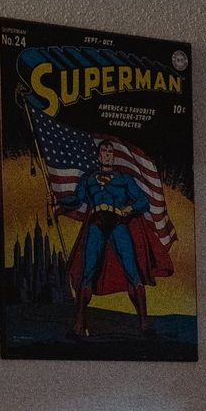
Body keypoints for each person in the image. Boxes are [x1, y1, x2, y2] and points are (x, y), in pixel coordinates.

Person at [64, 138, 166, 337]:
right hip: (96, 225)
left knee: (132, 271)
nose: (108, 154)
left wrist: (127, 209)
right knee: (87, 272)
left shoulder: (124, 179)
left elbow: (142, 201)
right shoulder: (89, 178)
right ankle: (78, 323)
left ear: (114, 155)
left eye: (110, 151)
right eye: (104, 151)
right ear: (99, 154)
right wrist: (58, 201)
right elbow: (77, 199)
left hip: (119, 224)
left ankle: (144, 322)